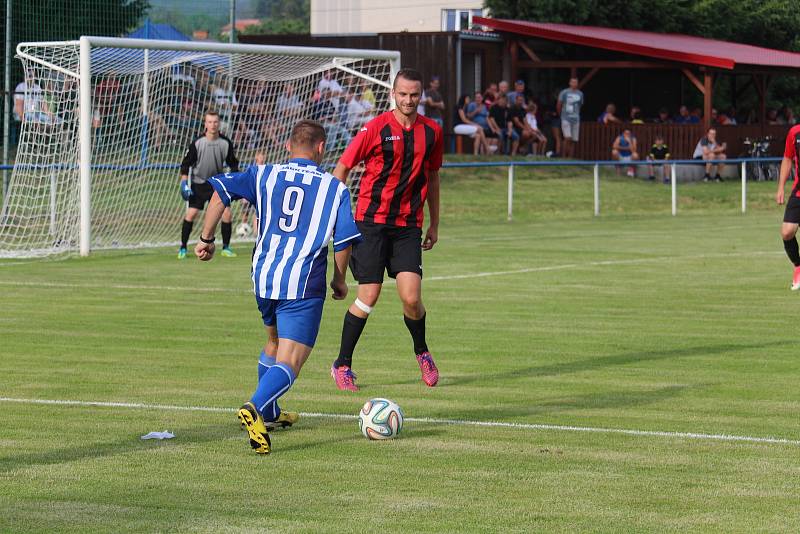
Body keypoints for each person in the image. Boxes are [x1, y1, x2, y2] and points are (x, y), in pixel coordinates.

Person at [196, 120, 361, 454]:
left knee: (272, 341)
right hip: (302, 282)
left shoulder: (264, 173)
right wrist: (340, 278)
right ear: (321, 148)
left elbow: (220, 195)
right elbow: (343, 240)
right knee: (292, 359)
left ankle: (269, 413)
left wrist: (206, 238)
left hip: (264, 277)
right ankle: (255, 406)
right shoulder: (335, 188)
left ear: (288, 147)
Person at [329, 68, 443, 391]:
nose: (408, 100)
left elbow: (433, 177)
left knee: (411, 297)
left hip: (408, 225)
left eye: (414, 95)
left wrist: (435, 223)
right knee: (369, 295)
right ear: (393, 94)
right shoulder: (374, 128)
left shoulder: (432, 132)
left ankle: (422, 352)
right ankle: (342, 364)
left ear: (421, 96)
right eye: (403, 94)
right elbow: (344, 167)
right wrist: (330, 209)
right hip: (370, 223)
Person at [178, 110, 240, 259]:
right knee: (191, 214)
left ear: (219, 124)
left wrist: (235, 182)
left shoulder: (225, 143)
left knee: (227, 214)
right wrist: (184, 183)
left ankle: (226, 247)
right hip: (199, 184)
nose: (213, 125)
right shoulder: (197, 143)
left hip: (217, 184)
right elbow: (186, 164)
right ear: (205, 124)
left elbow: (233, 165)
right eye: (210, 122)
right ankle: (183, 248)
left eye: (215, 122)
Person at [776, 123, 800, 290]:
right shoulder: (795, 132)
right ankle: (798, 266)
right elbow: (787, 158)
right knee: (787, 232)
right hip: (799, 192)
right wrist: (780, 187)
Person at [557, 77, 583, 158]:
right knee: (567, 137)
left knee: (574, 140)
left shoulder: (580, 94)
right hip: (566, 117)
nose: (574, 84)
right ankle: (564, 156)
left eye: (576, 82)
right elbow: (559, 104)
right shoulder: (564, 92)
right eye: (573, 82)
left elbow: (580, 105)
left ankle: (570, 158)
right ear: (570, 83)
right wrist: (560, 114)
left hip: (576, 118)